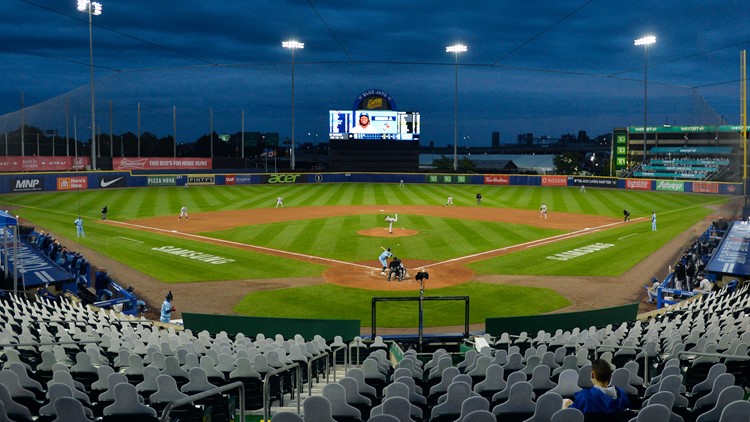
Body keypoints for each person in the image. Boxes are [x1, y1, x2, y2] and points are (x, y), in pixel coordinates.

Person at [563, 358, 630, 414]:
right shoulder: (622, 395)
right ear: (610, 376)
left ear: (593, 375)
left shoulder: (585, 396)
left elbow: (571, 415)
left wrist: (566, 405)